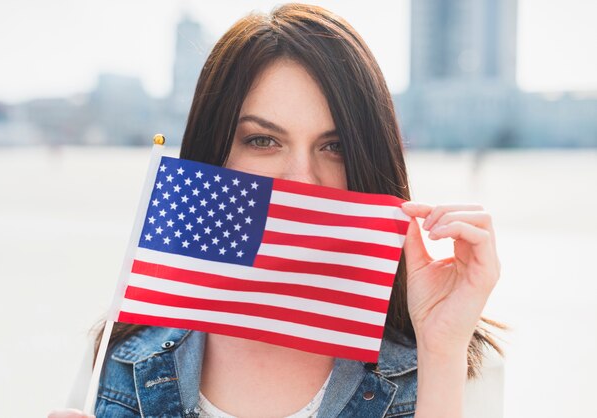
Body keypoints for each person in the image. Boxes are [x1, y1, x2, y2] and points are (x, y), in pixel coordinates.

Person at [49, 4, 503, 417]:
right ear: (215, 154)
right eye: (263, 141)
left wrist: (441, 351)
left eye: (335, 145)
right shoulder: (114, 360)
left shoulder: (454, 359)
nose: (302, 179)